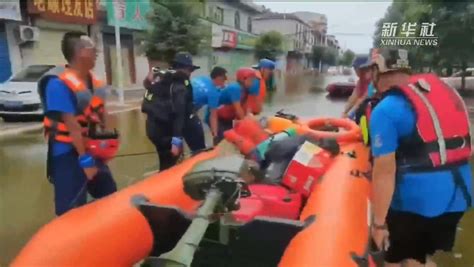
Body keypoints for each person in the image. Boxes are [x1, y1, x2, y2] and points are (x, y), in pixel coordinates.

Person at [364, 48, 472, 267]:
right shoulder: (445, 94)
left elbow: (385, 171)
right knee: (420, 253)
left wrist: (378, 224)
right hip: (459, 194)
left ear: (377, 71)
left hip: (420, 201)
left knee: (395, 258)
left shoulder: (386, 109)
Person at [37, 31, 117, 216]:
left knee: (109, 192)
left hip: (90, 148)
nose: (96, 51)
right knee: (71, 209)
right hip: (68, 153)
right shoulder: (57, 84)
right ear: (80, 52)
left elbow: (99, 115)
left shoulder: (94, 82)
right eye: (92, 48)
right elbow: (72, 125)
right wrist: (85, 160)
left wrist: (105, 143)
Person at [142, 52, 197, 171]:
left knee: (164, 159)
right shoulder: (179, 86)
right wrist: (176, 141)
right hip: (165, 132)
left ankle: (162, 174)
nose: (190, 74)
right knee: (170, 164)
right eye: (190, 70)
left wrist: (149, 77)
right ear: (186, 69)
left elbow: (147, 84)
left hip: (152, 128)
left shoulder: (162, 78)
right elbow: (179, 114)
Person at [214, 67, 261, 143]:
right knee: (223, 139)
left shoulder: (246, 90)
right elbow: (238, 110)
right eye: (251, 80)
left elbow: (247, 109)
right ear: (243, 79)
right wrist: (247, 125)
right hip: (216, 118)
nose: (252, 82)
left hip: (227, 118)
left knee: (229, 138)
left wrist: (251, 120)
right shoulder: (235, 88)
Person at [187, 67, 227, 149]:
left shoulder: (202, 78)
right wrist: (215, 135)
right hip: (186, 111)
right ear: (219, 78)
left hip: (176, 103)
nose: (224, 84)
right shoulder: (213, 93)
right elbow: (213, 116)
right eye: (224, 80)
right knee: (199, 142)